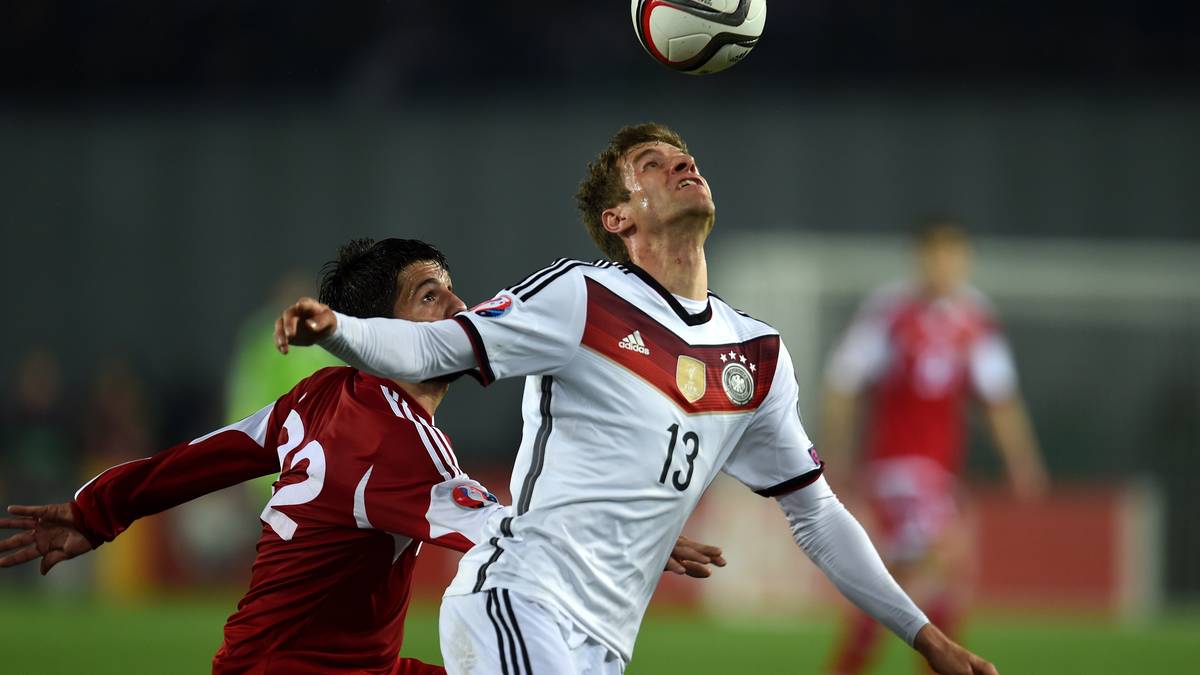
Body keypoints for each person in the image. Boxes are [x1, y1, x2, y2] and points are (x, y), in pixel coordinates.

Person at [274, 123, 999, 675]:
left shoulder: (756, 355)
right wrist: (341, 328)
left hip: (605, 645)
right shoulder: (581, 297)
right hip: (519, 600)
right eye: (651, 164)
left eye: (685, 156)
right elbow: (438, 346)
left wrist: (926, 637)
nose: (683, 163)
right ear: (618, 219)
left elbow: (817, 515)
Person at [0, 237, 729, 675]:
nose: (457, 308)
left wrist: (97, 511)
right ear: (379, 333)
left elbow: (208, 456)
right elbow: (503, 532)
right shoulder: (394, 439)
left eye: (451, 288)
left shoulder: (323, 395)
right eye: (429, 296)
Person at [821, 220, 1048, 675]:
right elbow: (843, 382)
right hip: (896, 468)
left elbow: (998, 399)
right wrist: (836, 450)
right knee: (937, 568)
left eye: (952, 256)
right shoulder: (890, 313)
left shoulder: (974, 319)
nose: (943, 265)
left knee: (901, 584)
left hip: (940, 473)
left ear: (964, 261)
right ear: (919, 259)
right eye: (934, 255)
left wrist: (1022, 461)